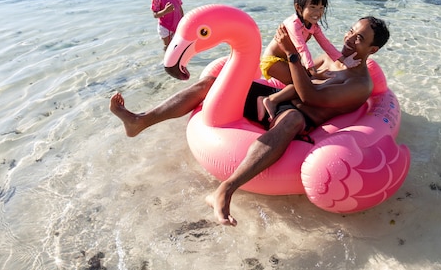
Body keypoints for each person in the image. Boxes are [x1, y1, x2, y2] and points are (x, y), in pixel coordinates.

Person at [110, 15, 390, 226]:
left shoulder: (359, 84)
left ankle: (225, 190)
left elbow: (310, 96)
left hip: (301, 114)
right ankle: (140, 121)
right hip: (281, 99)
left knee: (291, 119)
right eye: (352, 31)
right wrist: (284, 55)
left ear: (372, 50)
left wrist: (291, 53)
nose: (350, 38)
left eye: (359, 38)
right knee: (212, 81)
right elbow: (300, 77)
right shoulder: (331, 59)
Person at [259, 0, 359, 85]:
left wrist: (344, 60)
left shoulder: (313, 26)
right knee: (302, 83)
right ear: (298, 7)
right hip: (272, 61)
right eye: (313, 7)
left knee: (308, 81)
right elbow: (301, 48)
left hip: (289, 61)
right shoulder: (293, 24)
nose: (318, 12)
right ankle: (269, 101)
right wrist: (313, 71)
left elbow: (326, 44)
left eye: (321, 8)